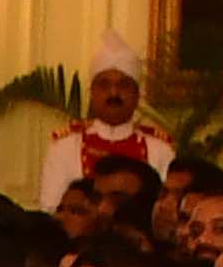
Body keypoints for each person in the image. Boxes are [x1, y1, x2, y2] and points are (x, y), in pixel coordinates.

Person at [35, 41, 182, 211]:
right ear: (92, 94)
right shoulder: (65, 146)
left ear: (137, 95)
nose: (113, 93)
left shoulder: (160, 149)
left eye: (123, 85)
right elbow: (51, 209)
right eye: (104, 85)